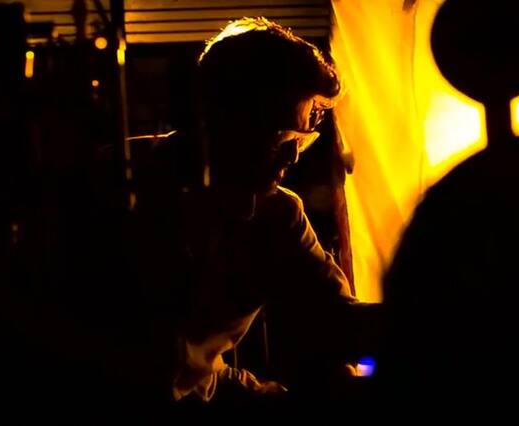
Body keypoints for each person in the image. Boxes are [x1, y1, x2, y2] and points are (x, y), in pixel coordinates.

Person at [154, 17, 381, 405]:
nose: (293, 157)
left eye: (302, 139)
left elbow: (339, 321)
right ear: (227, 122)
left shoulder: (279, 214)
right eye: (281, 138)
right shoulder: (124, 184)